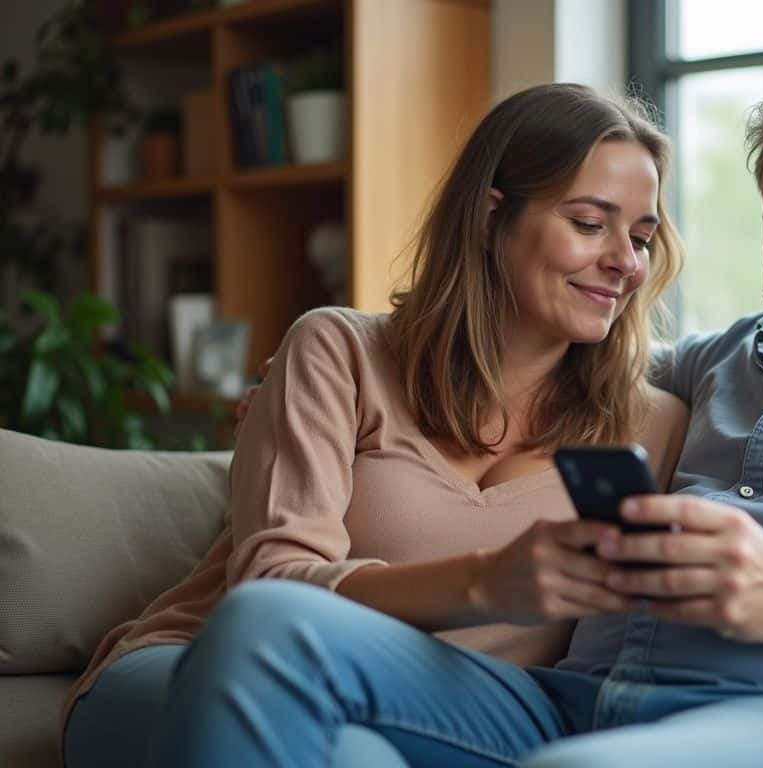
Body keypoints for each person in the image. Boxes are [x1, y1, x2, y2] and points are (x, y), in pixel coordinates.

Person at [161, 54, 763, 768]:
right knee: (264, 630)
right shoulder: (724, 360)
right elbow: (533, 353)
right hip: (563, 701)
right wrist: (344, 382)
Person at [61, 83, 688, 768]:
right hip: (205, 666)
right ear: (489, 217)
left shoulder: (654, 425)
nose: (626, 263)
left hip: (438, 713)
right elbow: (270, 589)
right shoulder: (339, 351)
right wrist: (487, 582)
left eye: (641, 237)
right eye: (591, 224)